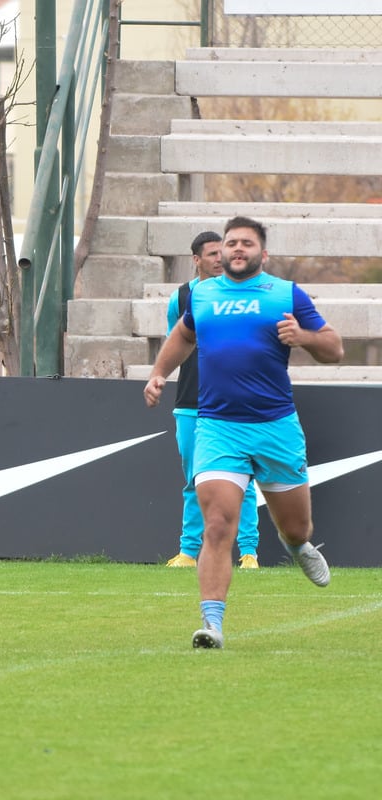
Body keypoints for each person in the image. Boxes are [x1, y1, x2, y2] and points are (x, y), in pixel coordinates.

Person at [144, 216, 343, 649]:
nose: (237, 249)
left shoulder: (285, 294)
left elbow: (335, 347)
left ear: (262, 253)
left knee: (295, 526)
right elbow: (183, 335)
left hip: (275, 428)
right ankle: (211, 625)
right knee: (217, 524)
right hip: (217, 426)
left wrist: (304, 336)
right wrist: (159, 372)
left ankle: (297, 546)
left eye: (246, 244)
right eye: (231, 242)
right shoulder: (202, 294)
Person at [164, 231, 260, 569]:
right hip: (191, 402)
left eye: (223, 253)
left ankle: (249, 553)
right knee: (193, 480)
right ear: (196, 260)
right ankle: (189, 553)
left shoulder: (243, 295)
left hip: (234, 403)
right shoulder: (180, 298)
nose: (220, 259)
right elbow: (173, 346)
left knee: (242, 481)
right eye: (212, 254)